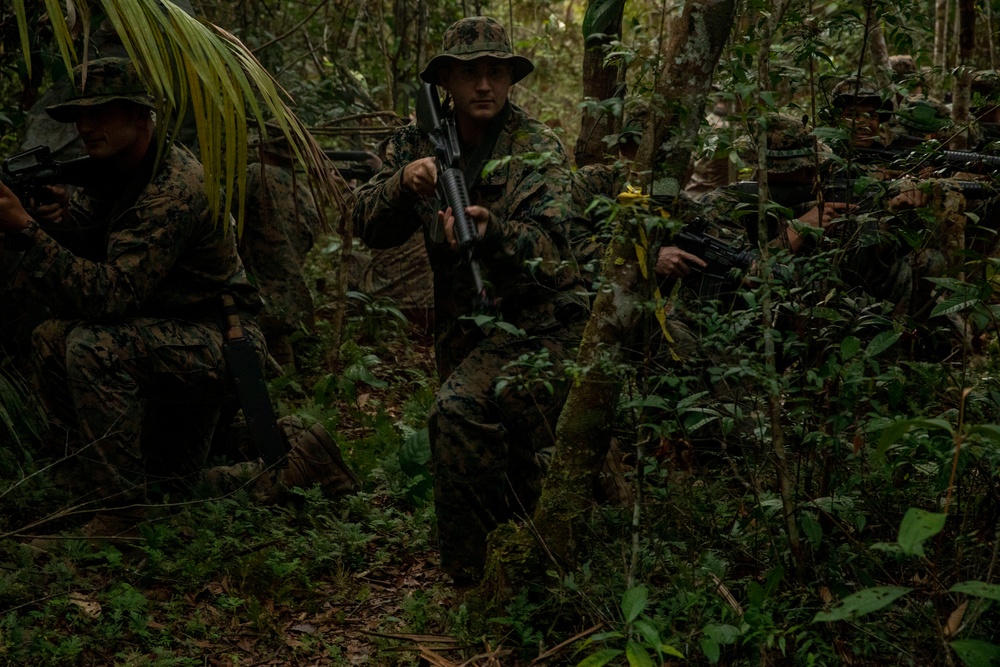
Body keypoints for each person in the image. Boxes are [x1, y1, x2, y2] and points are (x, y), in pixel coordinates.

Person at [0, 58, 347, 542]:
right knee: (50, 338)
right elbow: (107, 233)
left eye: (100, 113)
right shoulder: (119, 171)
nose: (84, 127)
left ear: (141, 117)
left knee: (91, 344)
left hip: (216, 344)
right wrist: (61, 215)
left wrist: (27, 231)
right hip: (163, 341)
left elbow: (111, 295)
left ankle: (124, 517)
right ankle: (99, 485)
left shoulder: (174, 187)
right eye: (78, 116)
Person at [352, 16, 587, 584]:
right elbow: (363, 222)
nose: (484, 85)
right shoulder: (418, 142)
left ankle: (475, 581)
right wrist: (401, 182)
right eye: (470, 73)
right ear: (446, 85)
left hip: (542, 323)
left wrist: (495, 231)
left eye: (497, 72)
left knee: (460, 414)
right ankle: (503, 572)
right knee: (491, 452)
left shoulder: (536, 149)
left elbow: (557, 254)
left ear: (510, 80)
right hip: (465, 328)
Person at [239, 132, 322, 368]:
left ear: (264, 149)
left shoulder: (256, 174)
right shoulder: (303, 190)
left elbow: (229, 217)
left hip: (259, 294)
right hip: (294, 293)